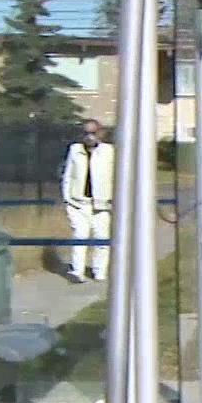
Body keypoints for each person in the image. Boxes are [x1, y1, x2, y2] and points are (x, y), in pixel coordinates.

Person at [61, 120, 115, 283]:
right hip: (79, 203)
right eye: (86, 133)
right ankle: (77, 271)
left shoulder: (108, 151)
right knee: (80, 236)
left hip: (101, 204)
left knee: (102, 239)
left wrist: (111, 201)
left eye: (93, 132)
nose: (89, 137)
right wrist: (68, 200)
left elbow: (115, 176)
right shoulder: (75, 150)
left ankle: (99, 271)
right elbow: (68, 175)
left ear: (100, 133)